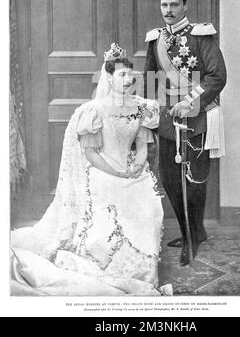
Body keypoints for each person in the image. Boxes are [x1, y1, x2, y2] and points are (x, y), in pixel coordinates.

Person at [11, 43, 172, 296]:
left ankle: (142, 271)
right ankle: (110, 266)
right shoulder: (93, 111)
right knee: (111, 213)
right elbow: (91, 154)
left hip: (132, 171)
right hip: (103, 172)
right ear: (109, 77)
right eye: (121, 75)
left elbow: (141, 145)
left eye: (130, 74)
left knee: (147, 205)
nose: (128, 79)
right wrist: (117, 173)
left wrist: (138, 165)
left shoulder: (140, 107)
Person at [144, 0, 227, 266]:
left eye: (174, 5)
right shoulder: (155, 39)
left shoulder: (200, 36)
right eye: (164, 5)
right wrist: (156, 112)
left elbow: (217, 76)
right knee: (170, 179)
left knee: (193, 180)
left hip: (198, 120)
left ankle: (194, 235)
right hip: (168, 122)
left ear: (185, 7)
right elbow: (150, 79)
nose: (168, 11)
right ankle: (190, 232)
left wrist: (190, 101)